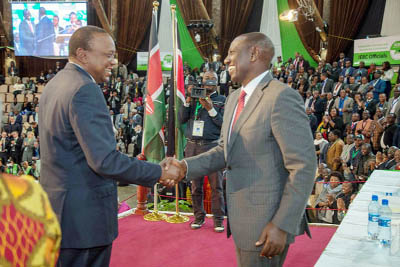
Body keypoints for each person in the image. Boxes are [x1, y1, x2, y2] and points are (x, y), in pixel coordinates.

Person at [164, 32, 316, 266]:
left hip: (268, 225)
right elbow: (224, 151)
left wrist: (281, 224)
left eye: (232, 52)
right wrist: (185, 167)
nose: (226, 60)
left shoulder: (281, 97)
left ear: (254, 53)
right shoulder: (234, 98)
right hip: (243, 221)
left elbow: (303, 167)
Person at [38, 26, 181, 267]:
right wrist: (160, 172)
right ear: (83, 54)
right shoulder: (85, 89)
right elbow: (104, 161)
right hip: (84, 221)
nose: (113, 62)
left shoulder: (56, 84)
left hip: (59, 213)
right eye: (108, 55)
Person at [178, 70, 226, 233]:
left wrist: (211, 109)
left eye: (213, 78)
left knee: (216, 186)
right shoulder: (194, 99)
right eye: (206, 78)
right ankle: (199, 217)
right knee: (195, 186)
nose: (210, 81)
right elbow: (181, 120)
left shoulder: (222, 100)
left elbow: (223, 124)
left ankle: (218, 220)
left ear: (218, 82)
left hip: (212, 147)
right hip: (192, 146)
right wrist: (188, 101)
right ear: (201, 81)